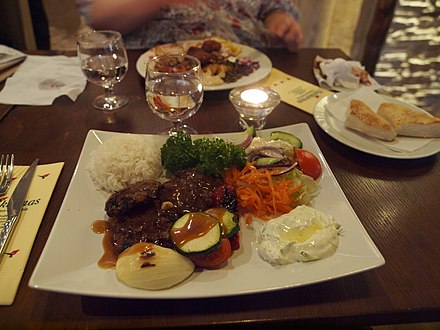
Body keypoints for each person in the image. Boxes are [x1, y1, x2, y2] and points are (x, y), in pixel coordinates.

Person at [76, 0, 303, 52]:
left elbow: (273, 6)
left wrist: (278, 18)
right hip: (153, 75)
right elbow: (99, 14)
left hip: (246, 66)